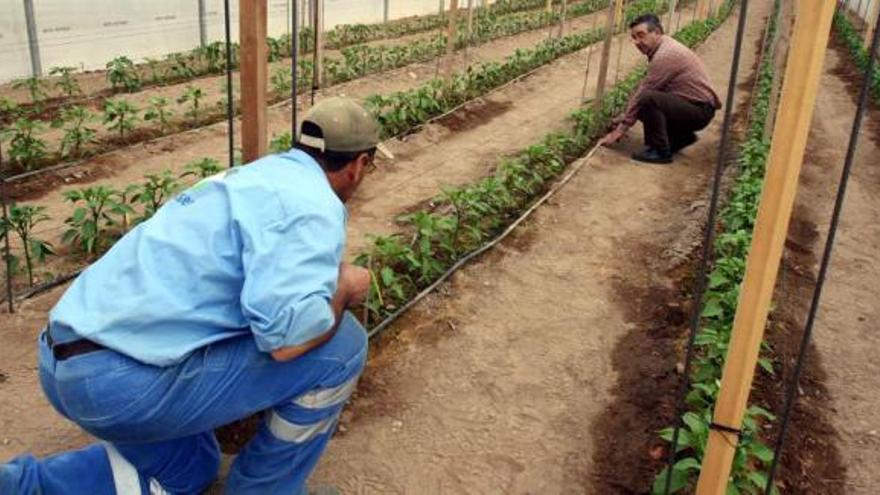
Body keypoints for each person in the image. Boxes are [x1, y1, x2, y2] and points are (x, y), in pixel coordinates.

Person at [0, 96, 390, 495]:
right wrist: (341, 291)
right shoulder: (313, 205)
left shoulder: (250, 176)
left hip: (61, 364)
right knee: (342, 346)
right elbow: (287, 344)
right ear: (359, 165)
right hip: (124, 386)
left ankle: (20, 485)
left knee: (193, 469)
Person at [599, 13, 721, 164]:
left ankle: (660, 151)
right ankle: (679, 138)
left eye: (641, 35)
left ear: (656, 32)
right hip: (695, 107)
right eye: (634, 37)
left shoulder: (666, 55)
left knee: (648, 99)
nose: (637, 42)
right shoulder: (664, 46)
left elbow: (644, 91)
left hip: (699, 110)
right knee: (647, 101)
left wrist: (620, 129)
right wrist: (626, 116)